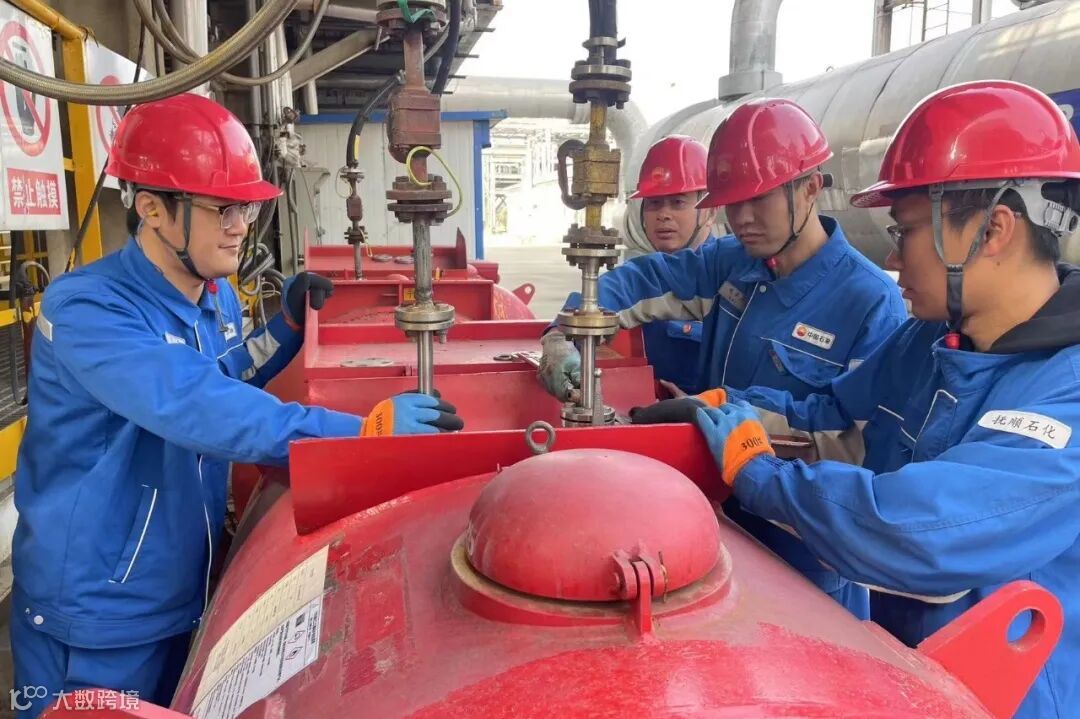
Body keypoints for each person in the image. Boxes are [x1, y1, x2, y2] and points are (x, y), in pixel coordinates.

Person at [9, 93, 462, 719]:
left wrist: (284, 329)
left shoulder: (214, 295)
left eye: (247, 207)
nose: (241, 226)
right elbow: (195, 404)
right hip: (95, 614)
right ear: (153, 209)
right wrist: (361, 436)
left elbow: (223, 372)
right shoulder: (90, 310)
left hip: (183, 590)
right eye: (223, 208)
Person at [692, 80, 1080, 719]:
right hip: (907, 676)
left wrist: (758, 474)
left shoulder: (1065, 396)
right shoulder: (928, 342)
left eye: (907, 231)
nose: (894, 257)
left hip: (1008, 702)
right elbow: (830, 412)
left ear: (992, 230)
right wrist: (725, 406)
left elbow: (920, 531)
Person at [538, 98, 907, 617]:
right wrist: (564, 333)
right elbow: (644, 280)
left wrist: (721, 411)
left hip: (801, 549)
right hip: (714, 517)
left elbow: (860, 443)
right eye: (733, 203)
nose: (743, 219)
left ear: (810, 188)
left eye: (759, 199)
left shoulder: (869, 302)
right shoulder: (735, 263)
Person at [628, 135, 719, 393]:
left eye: (678, 202)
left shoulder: (729, 281)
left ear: (711, 211)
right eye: (654, 203)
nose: (663, 215)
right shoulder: (638, 280)